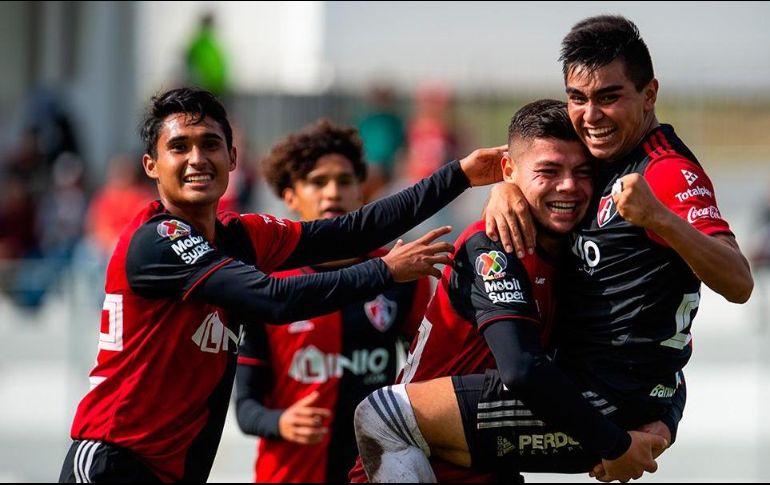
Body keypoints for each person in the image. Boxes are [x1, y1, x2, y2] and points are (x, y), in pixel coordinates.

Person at [356, 15, 755, 483]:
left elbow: (739, 281)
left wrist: (660, 219)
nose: (591, 115)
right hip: (611, 394)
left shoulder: (663, 173)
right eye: (578, 98)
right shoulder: (600, 163)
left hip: (596, 397)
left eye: (610, 97)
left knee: (382, 415)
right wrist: (505, 188)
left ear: (649, 95)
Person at [57, 86, 507, 483]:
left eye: (211, 144)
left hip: (172, 470)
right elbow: (270, 299)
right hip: (115, 460)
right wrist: (385, 271)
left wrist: (460, 176)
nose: (197, 159)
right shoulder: (158, 239)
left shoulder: (241, 235)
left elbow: (352, 232)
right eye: (180, 147)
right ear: (152, 165)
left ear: (233, 158)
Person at [351, 100, 674, 483]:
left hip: (490, 467)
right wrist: (616, 446)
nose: (568, 186)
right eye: (548, 171)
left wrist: (665, 423)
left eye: (582, 172)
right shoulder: (493, 245)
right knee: (380, 411)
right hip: (422, 466)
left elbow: (657, 346)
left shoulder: (590, 253)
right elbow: (522, 370)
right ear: (509, 170)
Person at [235, 119, 432, 482]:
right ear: (290, 196)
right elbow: (246, 408)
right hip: (289, 474)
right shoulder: (264, 283)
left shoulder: (400, 274)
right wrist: (281, 421)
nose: (332, 193)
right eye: (317, 182)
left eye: (344, 181)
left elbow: (426, 379)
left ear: (362, 191)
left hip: (372, 473)